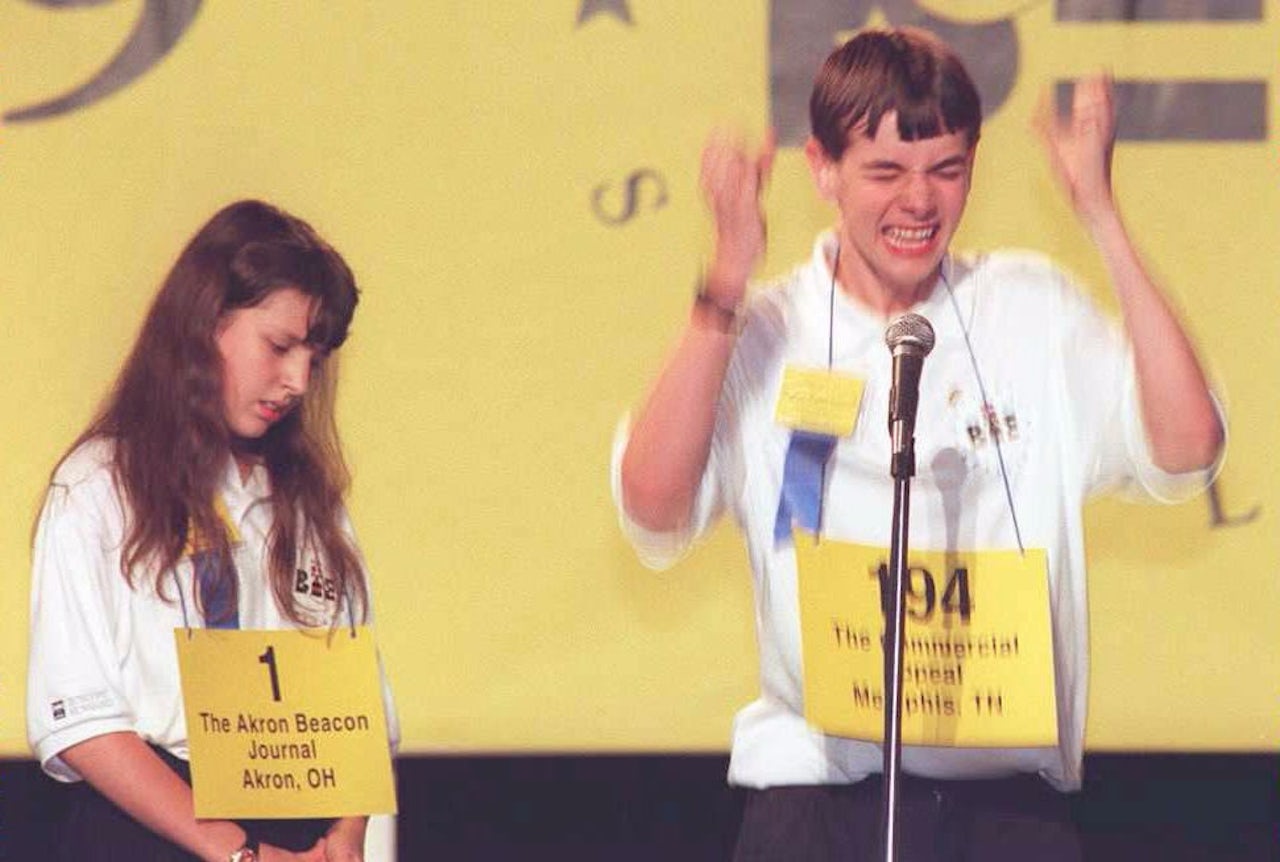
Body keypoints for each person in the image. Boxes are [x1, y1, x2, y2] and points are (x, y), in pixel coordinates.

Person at [612, 27, 1223, 861]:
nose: (919, 202)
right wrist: (725, 281)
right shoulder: (768, 328)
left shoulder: (1029, 308)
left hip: (1005, 810)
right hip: (815, 802)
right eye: (886, 172)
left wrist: (1102, 218)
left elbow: (1188, 448)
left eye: (946, 169)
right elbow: (652, 509)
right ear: (822, 168)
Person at [26, 200, 398, 862]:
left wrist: (343, 839)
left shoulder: (311, 502)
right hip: (152, 830)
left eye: (314, 359)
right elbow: (80, 721)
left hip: (296, 833)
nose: (297, 381)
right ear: (204, 324)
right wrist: (238, 851)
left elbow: (357, 709)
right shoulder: (99, 487)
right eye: (279, 347)